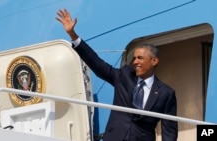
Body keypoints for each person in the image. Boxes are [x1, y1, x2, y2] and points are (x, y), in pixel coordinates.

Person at [56, 9, 178, 141]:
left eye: (140, 58)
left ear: (154, 61)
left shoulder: (166, 93)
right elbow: (97, 64)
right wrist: (73, 35)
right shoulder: (124, 76)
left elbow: (169, 130)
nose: (135, 61)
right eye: (135, 57)